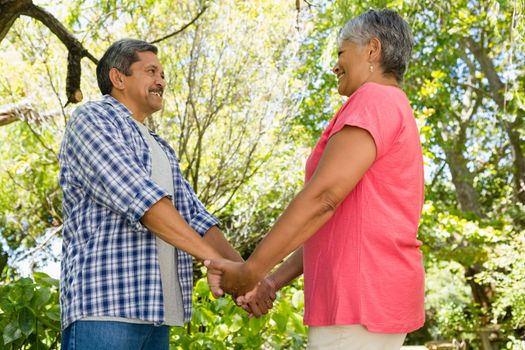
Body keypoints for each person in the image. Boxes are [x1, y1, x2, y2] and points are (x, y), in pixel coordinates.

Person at [207, 9, 425, 349]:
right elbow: (336, 224)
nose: (335, 65)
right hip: (370, 298)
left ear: (372, 50)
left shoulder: (373, 99)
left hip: (358, 300)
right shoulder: (392, 104)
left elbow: (323, 197)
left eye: (341, 52)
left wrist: (250, 271)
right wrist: (272, 281)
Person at [58, 39, 252, 349]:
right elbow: (140, 199)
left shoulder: (161, 147)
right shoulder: (92, 119)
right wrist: (214, 261)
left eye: (162, 73)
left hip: (156, 315)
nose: (161, 80)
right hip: (107, 311)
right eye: (151, 71)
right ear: (118, 78)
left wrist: (249, 278)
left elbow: (197, 219)